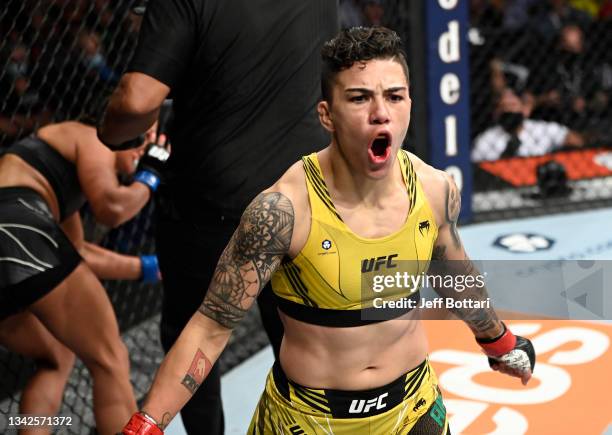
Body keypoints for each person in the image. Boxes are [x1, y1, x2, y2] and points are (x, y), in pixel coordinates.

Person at [120, 27, 536, 435]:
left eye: (394, 96)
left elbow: (452, 273)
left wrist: (497, 339)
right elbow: (211, 326)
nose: (381, 112)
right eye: (359, 98)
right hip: (307, 421)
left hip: (414, 412)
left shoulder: (434, 189)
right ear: (327, 114)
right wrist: (147, 424)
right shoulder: (281, 211)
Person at [97, 1, 338, 433]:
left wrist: (110, 131)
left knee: (198, 335)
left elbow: (137, 99)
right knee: (304, 339)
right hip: (301, 194)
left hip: (211, 203)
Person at [0, 119, 167, 434]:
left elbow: (75, 254)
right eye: (142, 139)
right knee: (109, 358)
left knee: (56, 357)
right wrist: (151, 174)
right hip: (17, 227)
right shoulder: (92, 136)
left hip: (19, 235)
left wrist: (150, 267)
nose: (145, 149)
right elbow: (112, 207)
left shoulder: (52, 187)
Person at [472, 88, 584, 162]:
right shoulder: (486, 139)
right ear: (496, 114)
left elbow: (576, 140)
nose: (509, 110)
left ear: (525, 110)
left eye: (513, 105)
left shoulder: (541, 129)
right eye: (504, 107)